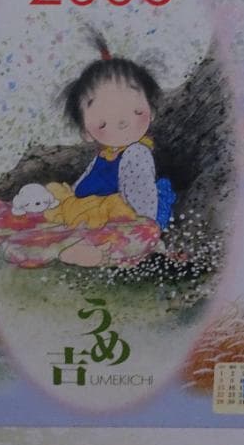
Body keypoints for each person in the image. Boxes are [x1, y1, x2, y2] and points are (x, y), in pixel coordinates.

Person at [45, 28, 176, 267]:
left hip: (123, 216)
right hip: (93, 210)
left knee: (112, 235)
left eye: (132, 108)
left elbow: (142, 200)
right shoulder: (105, 155)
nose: (122, 120)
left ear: (150, 110)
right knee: (54, 203)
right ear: (86, 132)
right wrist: (69, 199)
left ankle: (111, 255)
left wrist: (145, 231)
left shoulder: (136, 154)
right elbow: (83, 183)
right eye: (104, 117)